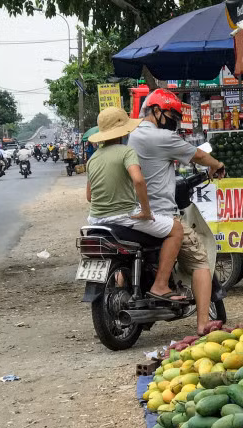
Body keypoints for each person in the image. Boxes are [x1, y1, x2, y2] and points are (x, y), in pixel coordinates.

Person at [128, 88, 225, 336]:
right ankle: (203, 324)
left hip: (131, 214)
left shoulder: (132, 136)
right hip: (161, 212)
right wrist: (217, 165)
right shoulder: (162, 138)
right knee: (201, 261)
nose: (174, 120)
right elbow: (200, 155)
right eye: (171, 114)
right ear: (156, 111)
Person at [85, 107, 187, 302]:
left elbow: (89, 196)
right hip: (123, 218)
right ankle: (160, 286)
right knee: (176, 230)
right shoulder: (126, 152)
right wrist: (146, 211)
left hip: (96, 221)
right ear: (123, 130)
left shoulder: (93, 159)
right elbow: (139, 180)